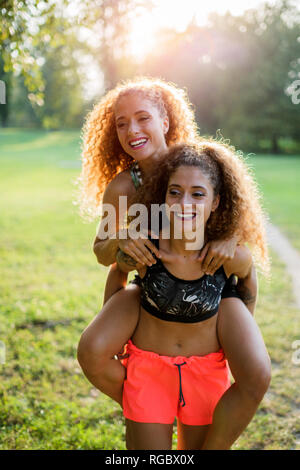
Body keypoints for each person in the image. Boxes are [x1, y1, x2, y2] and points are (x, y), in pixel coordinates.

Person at [77, 77, 271, 449]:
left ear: (165, 120)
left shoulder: (193, 163)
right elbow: (104, 254)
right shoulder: (123, 187)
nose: (132, 129)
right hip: (153, 285)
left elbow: (231, 219)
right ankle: (150, 401)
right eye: (121, 123)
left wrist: (230, 242)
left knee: (251, 374)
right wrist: (123, 238)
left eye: (143, 118)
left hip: (208, 289)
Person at [116, 142, 270, 450]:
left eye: (198, 194)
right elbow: (117, 270)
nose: (184, 202)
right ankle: (144, 401)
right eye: (175, 192)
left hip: (203, 369)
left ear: (216, 203)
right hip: (150, 372)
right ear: (163, 196)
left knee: (256, 376)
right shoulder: (149, 247)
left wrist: (235, 334)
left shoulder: (227, 253)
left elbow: (248, 282)